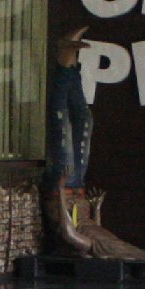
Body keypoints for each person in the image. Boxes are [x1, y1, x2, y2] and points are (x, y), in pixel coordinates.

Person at [48, 24, 92, 191]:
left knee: (62, 119)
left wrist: (60, 189)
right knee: (85, 119)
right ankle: (69, 58)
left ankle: (64, 58)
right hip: (77, 185)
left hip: (63, 188)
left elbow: (58, 210)